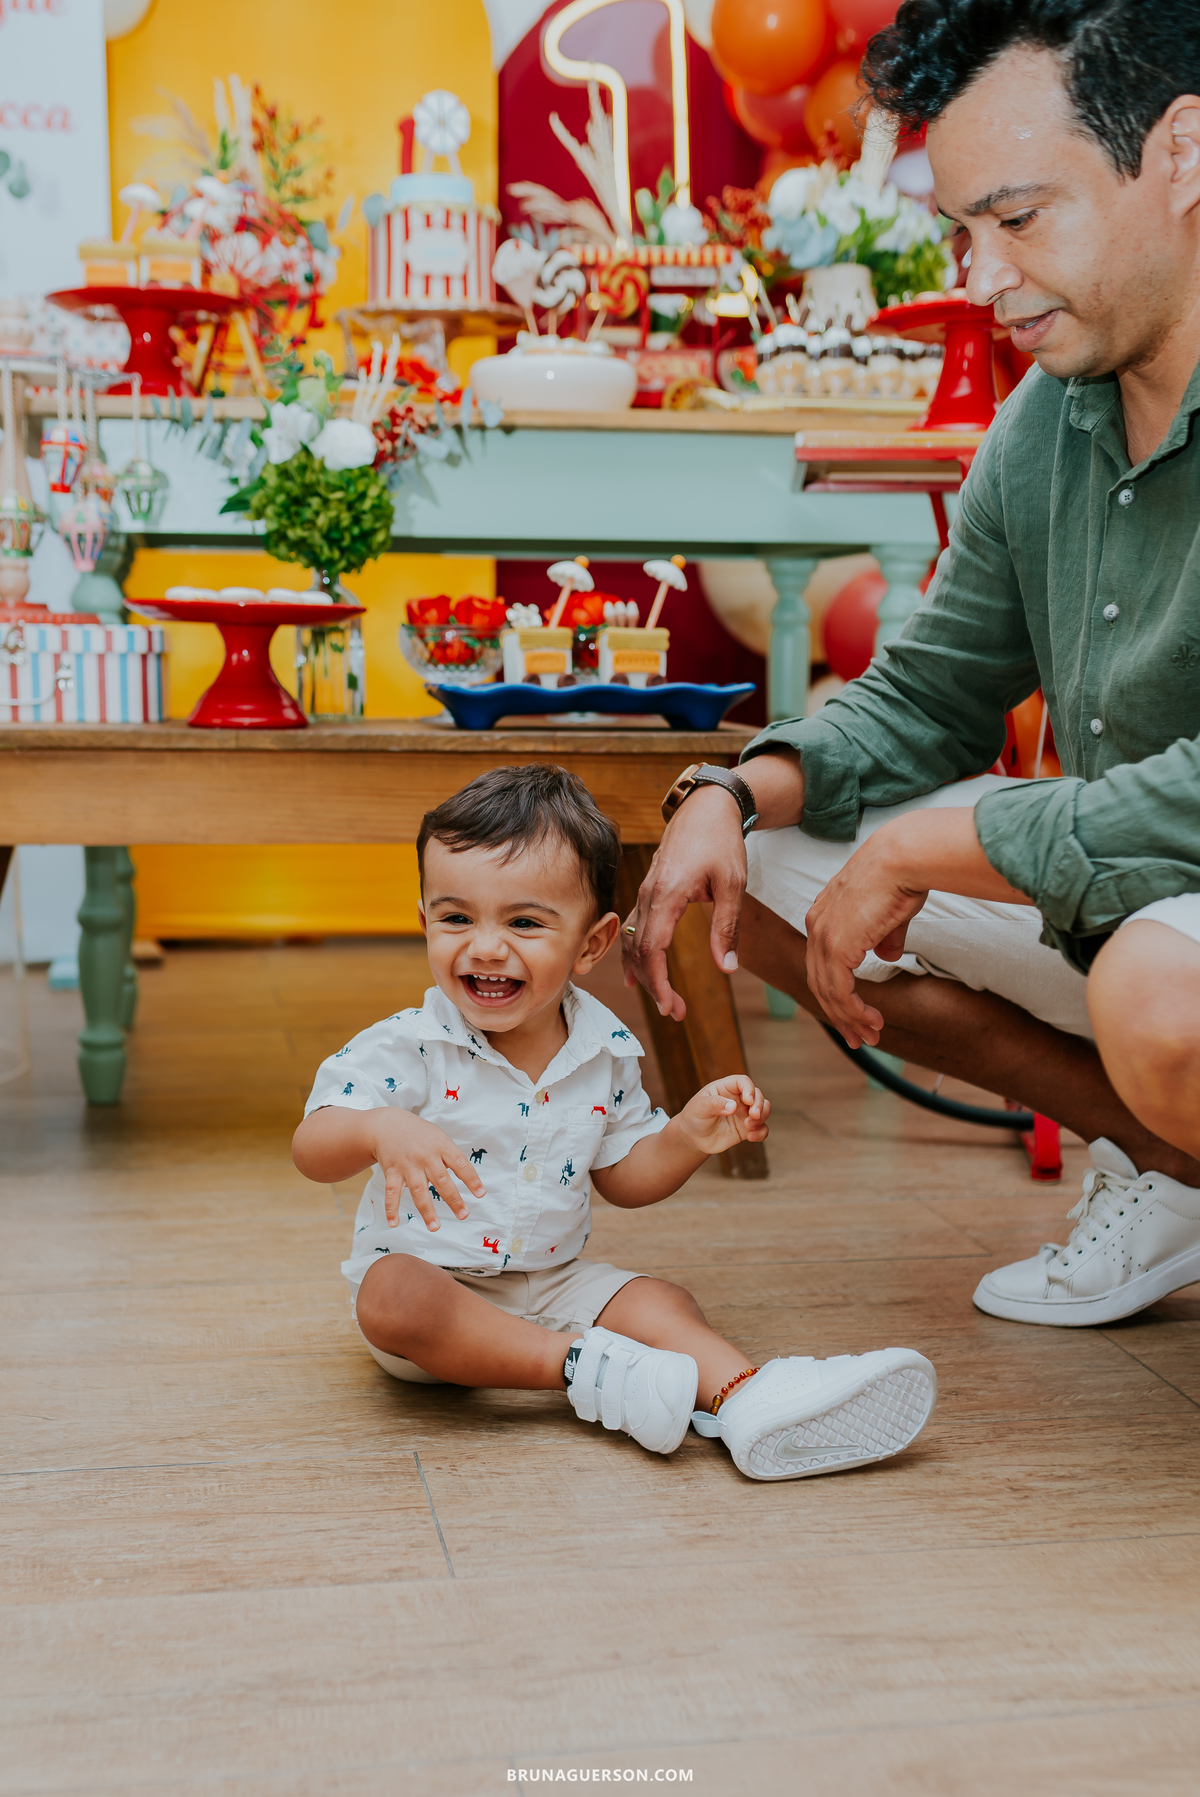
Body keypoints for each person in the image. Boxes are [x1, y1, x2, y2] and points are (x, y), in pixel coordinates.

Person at [624, 0, 1200, 1329]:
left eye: (1019, 221)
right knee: (745, 871)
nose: (981, 279)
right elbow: (931, 689)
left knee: (1159, 991)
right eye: (960, 232)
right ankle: (1173, 1167)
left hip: (1166, 945)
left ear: (1179, 155)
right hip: (1130, 904)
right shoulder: (1044, 417)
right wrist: (734, 786)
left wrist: (929, 851)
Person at [292, 765, 936, 1481]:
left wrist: (687, 1136)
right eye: (455, 918)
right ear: (423, 921)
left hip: (553, 1283)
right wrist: (379, 1127)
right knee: (392, 1296)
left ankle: (750, 1398)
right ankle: (580, 1371)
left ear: (593, 944)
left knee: (663, 1300)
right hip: (440, 1293)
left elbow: (625, 1177)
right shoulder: (409, 1044)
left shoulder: (604, 1051)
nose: (484, 946)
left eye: (525, 922)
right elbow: (311, 1146)